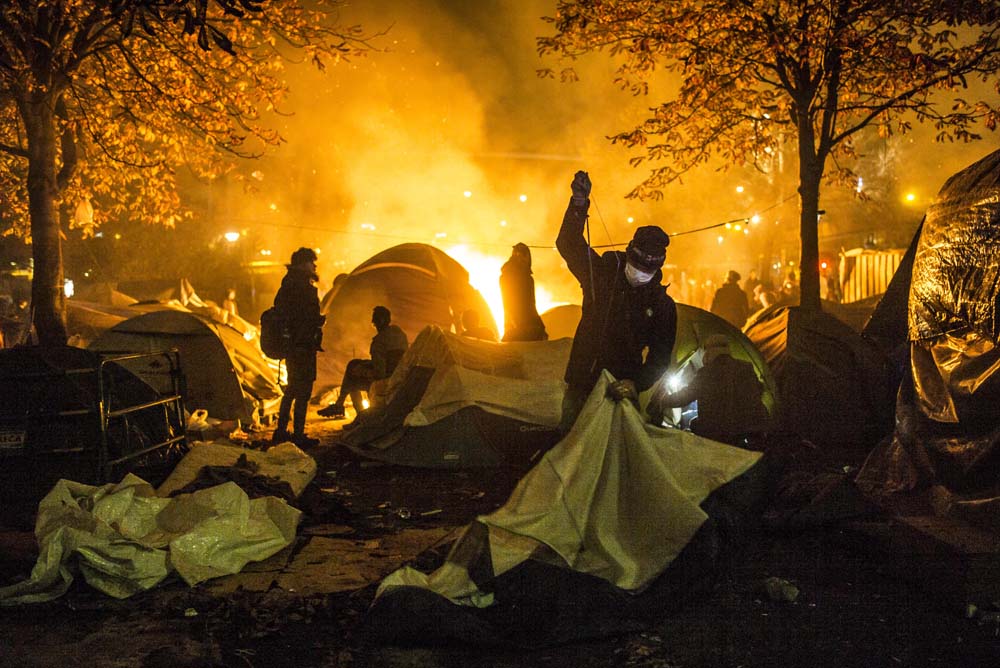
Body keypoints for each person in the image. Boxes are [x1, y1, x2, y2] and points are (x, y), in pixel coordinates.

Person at [556, 170, 678, 432]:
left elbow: (660, 357)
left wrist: (636, 383)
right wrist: (578, 203)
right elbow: (568, 244)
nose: (640, 272)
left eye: (648, 269)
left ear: (657, 269)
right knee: (570, 451)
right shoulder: (601, 275)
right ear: (628, 253)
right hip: (582, 385)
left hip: (619, 392)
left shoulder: (662, 305)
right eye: (637, 264)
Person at [647, 334, 770, 445]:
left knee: (693, 424)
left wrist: (662, 400)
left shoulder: (706, 373)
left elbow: (684, 398)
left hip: (718, 435)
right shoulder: (746, 367)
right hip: (749, 431)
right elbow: (759, 390)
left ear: (709, 353)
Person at [272, 247, 325, 447]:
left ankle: (281, 431)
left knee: (292, 389)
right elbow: (306, 318)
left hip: (292, 346)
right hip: (302, 346)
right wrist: (318, 321)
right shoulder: (302, 287)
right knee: (303, 391)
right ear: (303, 264)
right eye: (312, 262)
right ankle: (298, 435)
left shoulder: (286, 286)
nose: (315, 266)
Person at [319, 305, 409, 419]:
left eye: (374, 320)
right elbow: (391, 360)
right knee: (354, 363)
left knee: (352, 379)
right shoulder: (400, 334)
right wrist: (366, 364)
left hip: (386, 382)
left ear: (379, 321)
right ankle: (340, 404)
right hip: (399, 375)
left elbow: (380, 374)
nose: (373, 322)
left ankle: (359, 415)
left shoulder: (378, 342)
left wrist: (362, 372)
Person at [499, 242, 548, 342]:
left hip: (525, 324)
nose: (525, 259)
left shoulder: (523, 277)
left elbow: (531, 304)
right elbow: (510, 303)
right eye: (523, 255)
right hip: (523, 325)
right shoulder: (513, 277)